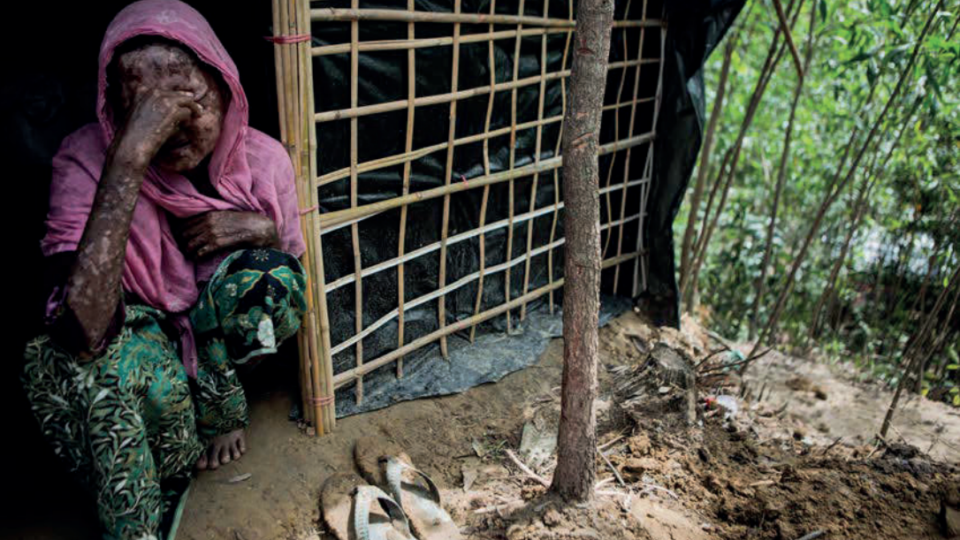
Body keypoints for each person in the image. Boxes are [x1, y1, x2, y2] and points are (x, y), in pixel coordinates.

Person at [22, 1, 308, 538]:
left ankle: (221, 414)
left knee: (268, 274)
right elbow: (82, 331)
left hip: (223, 369)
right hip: (149, 378)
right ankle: (144, 499)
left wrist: (259, 230)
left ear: (225, 85)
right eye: (145, 107)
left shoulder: (264, 159)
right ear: (114, 112)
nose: (173, 122)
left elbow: (290, 269)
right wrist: (129, 157)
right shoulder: (86, 160)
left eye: (190, 97)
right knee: (77, 366)